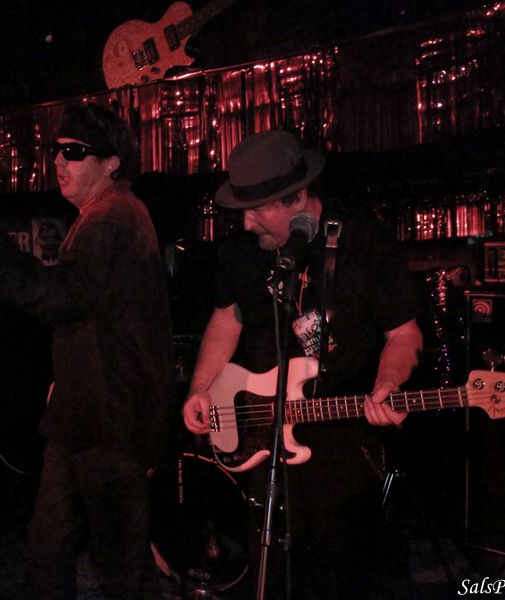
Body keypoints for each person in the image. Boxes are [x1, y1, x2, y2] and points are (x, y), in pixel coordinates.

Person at [0, 103, 175, 599]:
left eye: (75, 152)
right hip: (84, 413)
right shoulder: (104, 215)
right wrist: (68, 379)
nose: (60, 162)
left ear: (111, 163)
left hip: (109, 422)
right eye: (56, 151)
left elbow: (59, 297)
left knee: (118, 563)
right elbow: (94, 314)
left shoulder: (113, 216)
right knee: (49, 548)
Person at [182, 129, 424, 599]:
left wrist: (389, 382)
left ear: (297, 197)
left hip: (342, 435)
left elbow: (404, 333)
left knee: (343, 575)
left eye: (258, 209)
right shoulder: (242, 251)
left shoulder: (363, 240)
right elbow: (227, 317)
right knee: (269, 571)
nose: (247, 222)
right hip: (260, 434)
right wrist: (201, 386)